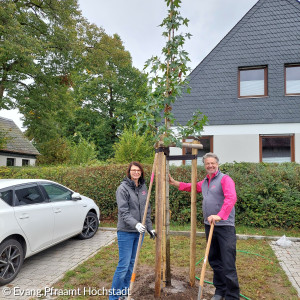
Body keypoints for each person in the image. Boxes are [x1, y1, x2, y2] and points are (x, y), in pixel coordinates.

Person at [169, 152, 240, 300]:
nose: (210, 165)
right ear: (205, 165)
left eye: (213, 163)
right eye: (207, 163)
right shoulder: (206, 182)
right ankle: (220, 291)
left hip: (224, 226)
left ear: (217, 164)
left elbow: (231, 198)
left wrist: (219, 215)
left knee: (227, 261)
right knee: (214, 260)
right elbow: (192, 187)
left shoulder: (225, 179)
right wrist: (176, 183)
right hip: (210, 225)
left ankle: (232, 296)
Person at [110, 161, 156, 300]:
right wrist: (136, 224)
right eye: (133, 170)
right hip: (126, 232)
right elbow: (123, 212)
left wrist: (150, 228)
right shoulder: (122, 189)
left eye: (138, 170)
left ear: (141, 172)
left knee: (131, 265)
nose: (136, 172)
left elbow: (146, 210)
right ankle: (113, 297)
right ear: (129, 172)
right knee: (123, 265)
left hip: (139, 233)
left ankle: (124, 293)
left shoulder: (143, 187)